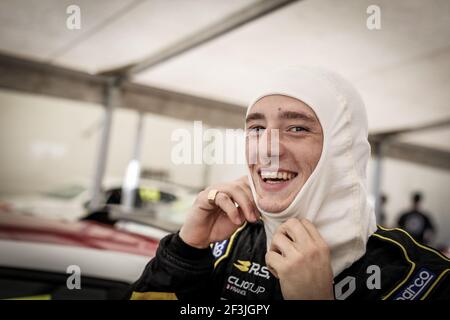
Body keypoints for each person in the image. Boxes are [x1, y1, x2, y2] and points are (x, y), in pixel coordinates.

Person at [128, 67, 450, 300]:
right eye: (256, 129)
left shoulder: (423, 279)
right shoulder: (229, 242)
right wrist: (186, 250)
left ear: (343, 149)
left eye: (296, 128)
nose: (267, 149)